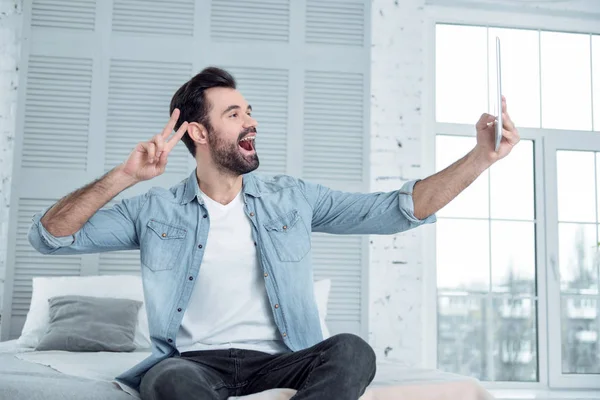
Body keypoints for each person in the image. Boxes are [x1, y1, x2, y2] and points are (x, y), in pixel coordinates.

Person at [28, 66, 519, 400]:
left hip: (283, 361)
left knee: (351, 350)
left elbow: (396, 210)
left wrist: (481, 157)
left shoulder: (293, 198)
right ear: (198, 134)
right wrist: (125, 177)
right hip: (196, 364)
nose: (252, 121)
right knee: (168, 380)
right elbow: (51, 235)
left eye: (249, 110)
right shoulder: (155, 210)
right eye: (235, 114)